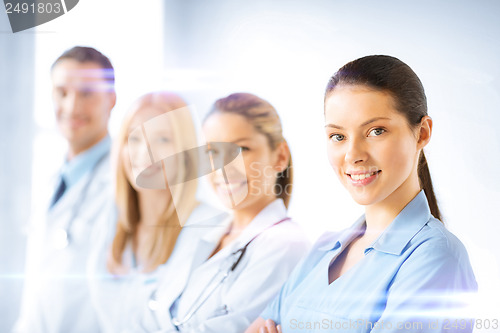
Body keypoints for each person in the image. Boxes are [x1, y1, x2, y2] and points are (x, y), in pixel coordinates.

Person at [247, 55, 478, 333]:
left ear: (422, 133)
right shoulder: (324, 249)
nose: (353, 155)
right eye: (338, 136)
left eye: (375, 131)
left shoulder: (437, 258)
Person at [137, 92, 310, 332]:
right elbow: (149, 314)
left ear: (279, 157)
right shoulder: (203, 229)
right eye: (212, 152)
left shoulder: (284, 244)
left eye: (242, 149)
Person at [87, 91, 226, 333]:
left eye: (163, 140)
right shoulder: (110, 226)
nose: (144, 153)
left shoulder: (212, 229)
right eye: (135, 139)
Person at [13, 46, 116, 332]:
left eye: (87, 93)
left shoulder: (126, 185)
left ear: (111, 99)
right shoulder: (52, 179)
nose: (71, 107)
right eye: (62, 92)